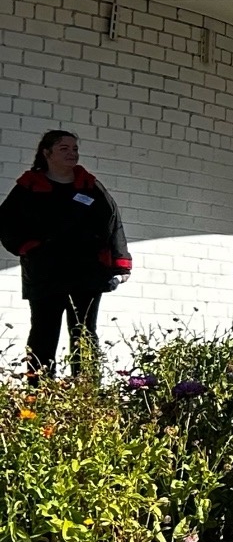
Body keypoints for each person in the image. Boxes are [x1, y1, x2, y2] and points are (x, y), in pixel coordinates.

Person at [2, 129, 130, 374]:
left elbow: (113, 221)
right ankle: (38, 394)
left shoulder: (91, 186)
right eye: (64, 148)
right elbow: (6, 222)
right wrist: (27, 247)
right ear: (47, 153)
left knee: (84, 332)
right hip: (45, 274)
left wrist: (120, 262)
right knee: (43, 333)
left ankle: (85, 391)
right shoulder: (29, 186)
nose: (72, 153)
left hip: (87, 273)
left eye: (75, 149)